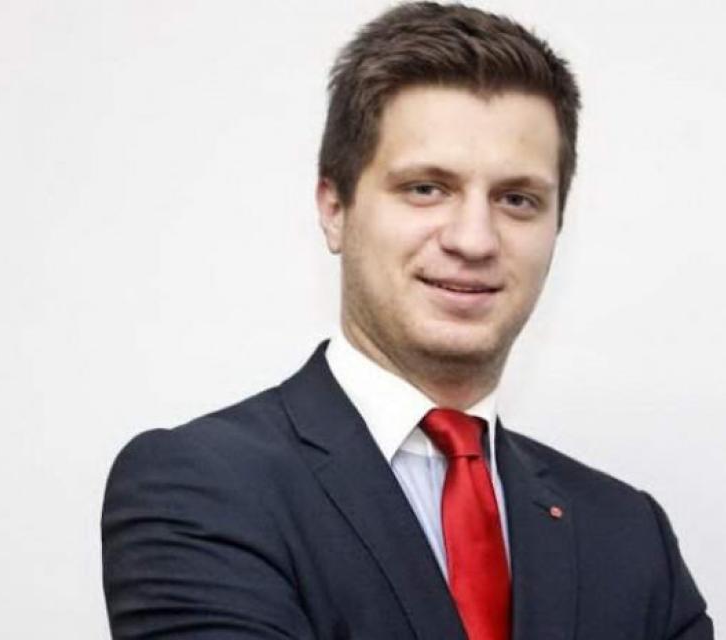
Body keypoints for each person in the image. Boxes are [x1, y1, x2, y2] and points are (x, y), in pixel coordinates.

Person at [101, 3, 712, 638]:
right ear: (334, 208)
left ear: (557, 225)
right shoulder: (199, 487)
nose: (474, 239)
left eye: (517, 199)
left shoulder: (629, 535)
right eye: (426, 188)